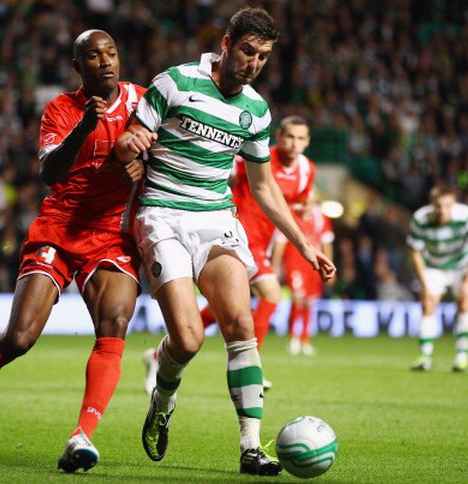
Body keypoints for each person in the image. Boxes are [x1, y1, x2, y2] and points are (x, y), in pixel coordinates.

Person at [114, 7, 335, 476]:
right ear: (227, 43)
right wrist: (133, 143)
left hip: (216, 220)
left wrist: (305, 245)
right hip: (163, 217)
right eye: (249, 51)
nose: (254, 62)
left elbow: (264, 187)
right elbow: (134, 132)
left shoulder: (255, 111)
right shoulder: (174, 82)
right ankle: (163, 398)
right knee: (190, 340)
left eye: (264, 56)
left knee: (241, 325)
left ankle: (251, 447)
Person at [0, 30, 146, 473]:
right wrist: (85, 124)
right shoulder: (61, 109)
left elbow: (161, 147)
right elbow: (49, 171)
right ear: (76, 66)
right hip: (58, 230)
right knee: (19, 339)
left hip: (108, 233)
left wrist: (146, 162)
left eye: (111, 53)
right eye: (93, 56)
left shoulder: (142, 102)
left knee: (116, 323)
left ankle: (81, 436)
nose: (105, 62)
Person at [143, 115, 317, 393]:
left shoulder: (307, 171)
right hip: (238, 235)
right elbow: (226, 178)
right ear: (279, 137)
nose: (294, 144)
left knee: (222, 308)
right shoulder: (258, 158)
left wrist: (302, 211)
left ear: (308, 142)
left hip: (264, 243)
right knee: (271, 294)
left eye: (300, 138)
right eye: (289, 137)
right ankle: (251, 364)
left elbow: (286, 204)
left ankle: (157, 355)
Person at [407, 183, 468, 372]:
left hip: (462, 266)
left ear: (454, 204)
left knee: (464, 303)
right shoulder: (420, 219)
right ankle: (425, 357)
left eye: (448, 205)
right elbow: (415, 252)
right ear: (432, 204)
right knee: (427, 302)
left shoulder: (467, 216)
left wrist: (467, 280)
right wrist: (424, 284)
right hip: (434, 266)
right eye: (439, 206)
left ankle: (461, 356)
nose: (443, 210)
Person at [271, 202, 335, 356]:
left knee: (309, 301)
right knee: (297, 299)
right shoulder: (290, 213)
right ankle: (293, 338)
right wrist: (276, 264)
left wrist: (328, 264)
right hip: (294, 261)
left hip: (313, 264)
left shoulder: (321, 216)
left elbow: (327, 243)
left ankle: (305, 340)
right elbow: (280, 241)